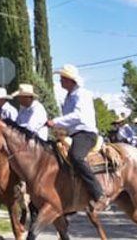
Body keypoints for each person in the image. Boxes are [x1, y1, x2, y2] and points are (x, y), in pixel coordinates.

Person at [45, 65, 106, 215]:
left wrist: (56, 122)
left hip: (85, 133)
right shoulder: (69, 97)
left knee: (76, 156)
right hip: (73, 134)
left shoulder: (81, 94)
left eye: (62, 79)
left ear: (70, 80)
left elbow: (78, 116)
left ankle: (98, 193)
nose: (60, 81)